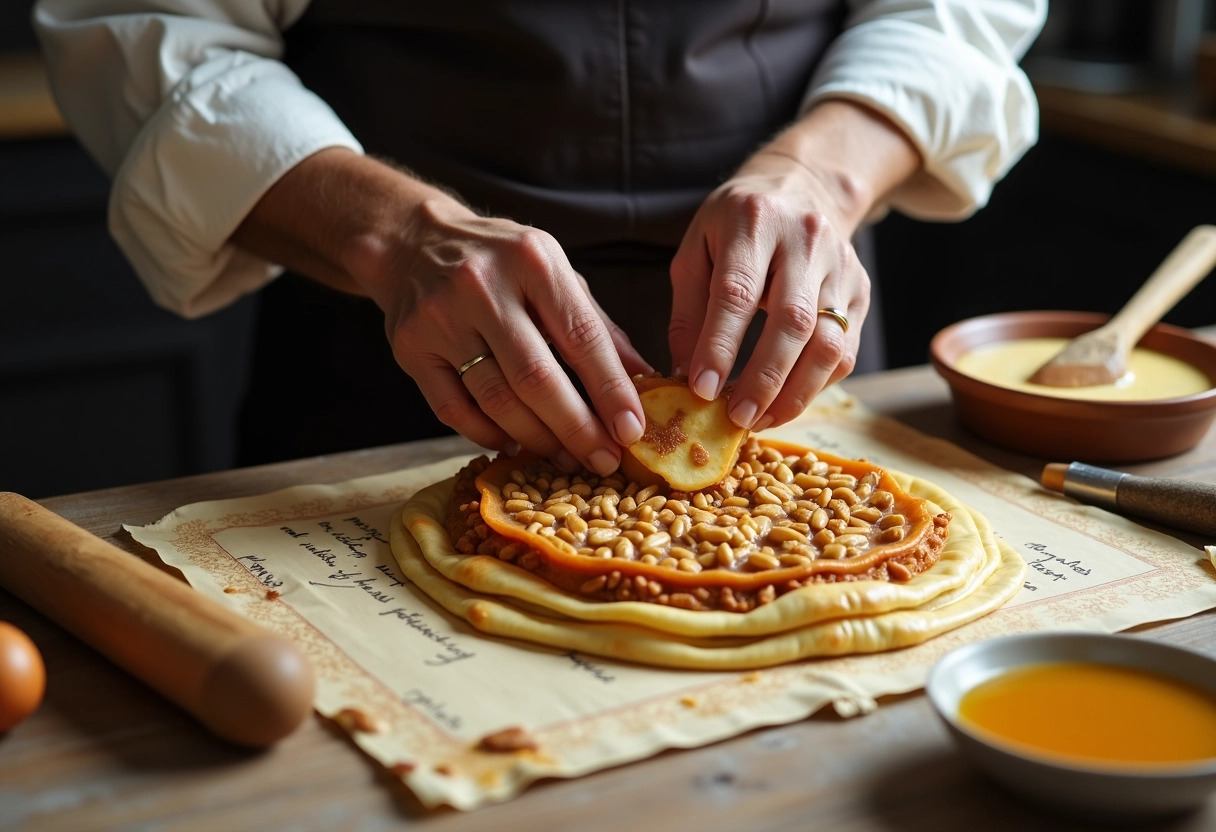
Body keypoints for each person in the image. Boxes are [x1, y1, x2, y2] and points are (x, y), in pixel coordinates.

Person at [33, 1, 1046, 476]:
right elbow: (145, 27)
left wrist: (822, 170)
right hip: (391, 375)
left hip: (795, 362)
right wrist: (395, 233)